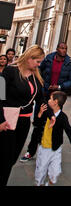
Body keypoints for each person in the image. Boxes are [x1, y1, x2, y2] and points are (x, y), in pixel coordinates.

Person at [21, 42, 71, 162]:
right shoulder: (48, 59)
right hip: (45, 95)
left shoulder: (69, 64)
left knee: (55, 123)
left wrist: (60, 87)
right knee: (39, 123)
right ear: (57, 49)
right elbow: (38, 71)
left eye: (65, 48)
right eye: (61, 48)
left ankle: (51, 151)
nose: (64, 50)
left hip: (57, 98)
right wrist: (44, 85)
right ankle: (31, 151)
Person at [0, 45, 45, 186]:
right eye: (37, 61)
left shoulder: (36, 78)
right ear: (29, 58)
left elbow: (41, 100)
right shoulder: (9, 71)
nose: (39, 65)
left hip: (24, 122)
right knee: (4, 159)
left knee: (12, 158)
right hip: (7, 120)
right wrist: (0, 120)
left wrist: (52, 114)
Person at [34, 91, 71, 186]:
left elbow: (68, 130)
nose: (48, 100)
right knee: (40, 171)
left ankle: (50, 183)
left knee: (55, 172)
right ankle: (39, 183)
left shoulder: (62, 117)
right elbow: (36, 124)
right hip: (44, 148)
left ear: (55, 102)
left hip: (56, 149)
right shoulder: (45, 112)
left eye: (50, 98)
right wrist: (40, 113)